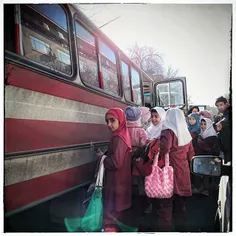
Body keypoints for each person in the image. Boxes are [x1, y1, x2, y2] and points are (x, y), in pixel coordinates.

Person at [152, 108, 195, 232]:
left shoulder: (167, 131)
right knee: (180, 208)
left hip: (168, 174)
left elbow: (164, 149)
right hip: (183, 174)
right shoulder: (186, 132)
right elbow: (191, 155)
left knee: (165, 208)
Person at [97, 107, 132, 232]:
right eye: (107, 121)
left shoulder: (118, 138)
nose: (109, 124)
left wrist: (102, 157)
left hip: (116, 181)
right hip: (121, 180)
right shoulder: (122, 135)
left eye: (112, 120)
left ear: (120, 120)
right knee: (118, 210)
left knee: (112, 211)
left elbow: (116, 162)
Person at [194, 118, 220, 196]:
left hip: (209, 159)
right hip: (201, 158)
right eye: (201, 124)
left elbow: (211, 149)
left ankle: (206, 190)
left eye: (205, 124)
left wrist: (199, 142)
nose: (203, 126)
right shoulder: (201, 134)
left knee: (207, 174)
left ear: (209, 125)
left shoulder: (213, 136)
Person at [215, 96, 232, 164]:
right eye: (217, 106)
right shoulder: (224, 114)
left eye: (221, 104)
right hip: (226, 149)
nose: (219, 107)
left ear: (226, 104)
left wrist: (221, 123)